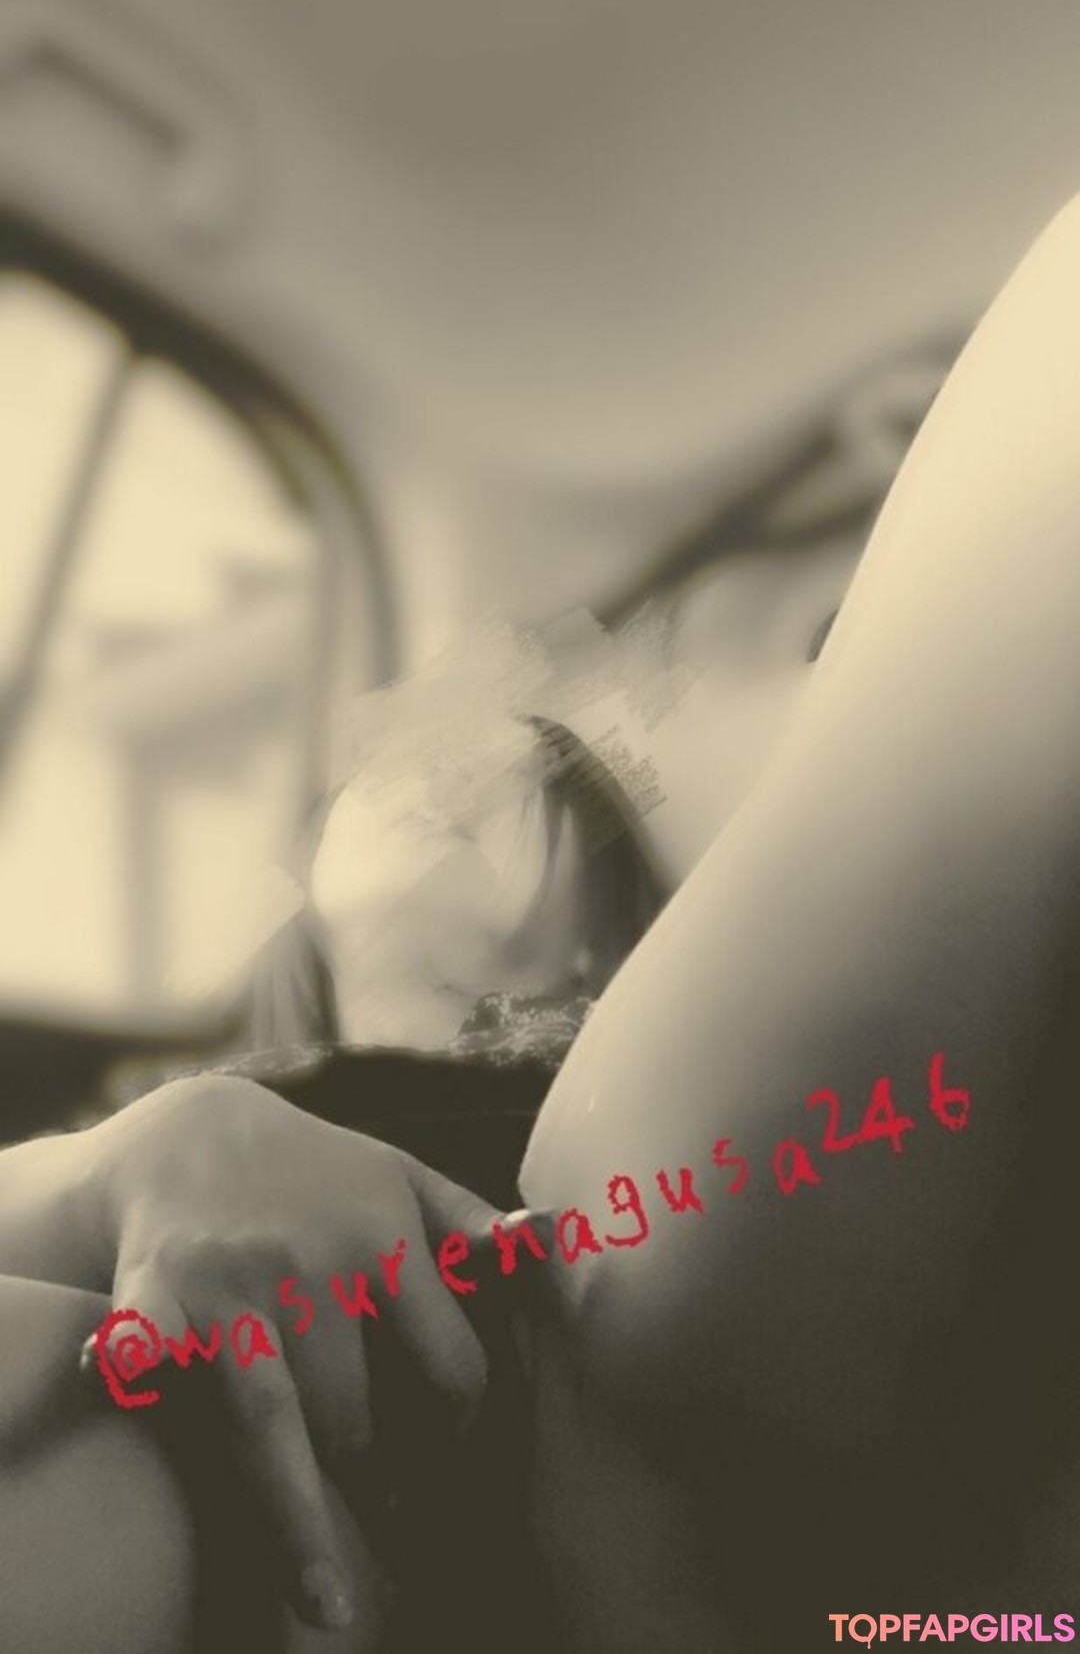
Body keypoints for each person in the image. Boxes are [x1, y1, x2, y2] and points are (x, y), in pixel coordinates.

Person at [4, 192, 1080, 1650]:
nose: (452, 771)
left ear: (601, 944)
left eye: (523, 778)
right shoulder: (192, 1105)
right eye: (405, 767)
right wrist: (123, 1158)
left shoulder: (650, 1109)